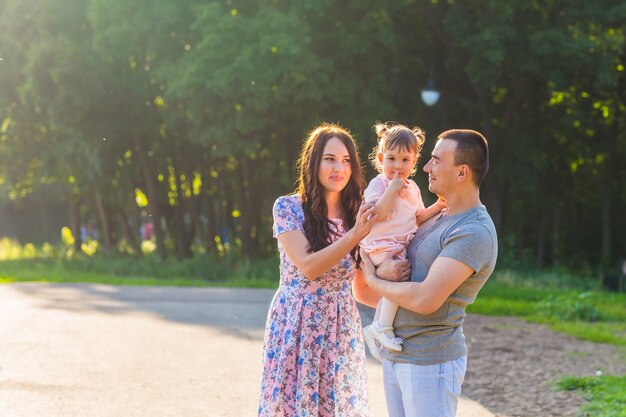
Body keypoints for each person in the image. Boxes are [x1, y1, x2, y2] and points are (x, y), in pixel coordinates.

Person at [353, 129, 498, 417]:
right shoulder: (438, 218)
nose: (427, 167)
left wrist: (374, 279)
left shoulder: (472, 231)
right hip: (398, 354)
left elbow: (424, 300)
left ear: (461, 173)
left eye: (435, 160)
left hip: (430, 362)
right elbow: (369, 292)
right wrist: (370, 266)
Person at [258, 123, 378, 416]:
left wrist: (409, 304)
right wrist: (355, 235)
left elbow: (363, 286)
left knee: (335, 406)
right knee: (292, 405)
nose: (339, 167)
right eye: (330, 159)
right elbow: (309, 266)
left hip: (341, 324)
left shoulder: (357, 213)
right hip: (297, 323)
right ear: (314, 161)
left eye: (346, 160)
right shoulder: (287, 208)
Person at [360, 123, 446, 355]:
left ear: (415, 161)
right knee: (398, 281)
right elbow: (379, 213)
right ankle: (382, 327)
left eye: (405, 160)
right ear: (381, 158)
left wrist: (438, 206)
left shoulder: (414, 188)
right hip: (379, 246)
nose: (398, 166)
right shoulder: (379, 184)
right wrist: (392, 190)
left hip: (398, 245)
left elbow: (418, 217)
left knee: (398, 282)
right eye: (392, 159)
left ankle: (377, 328)